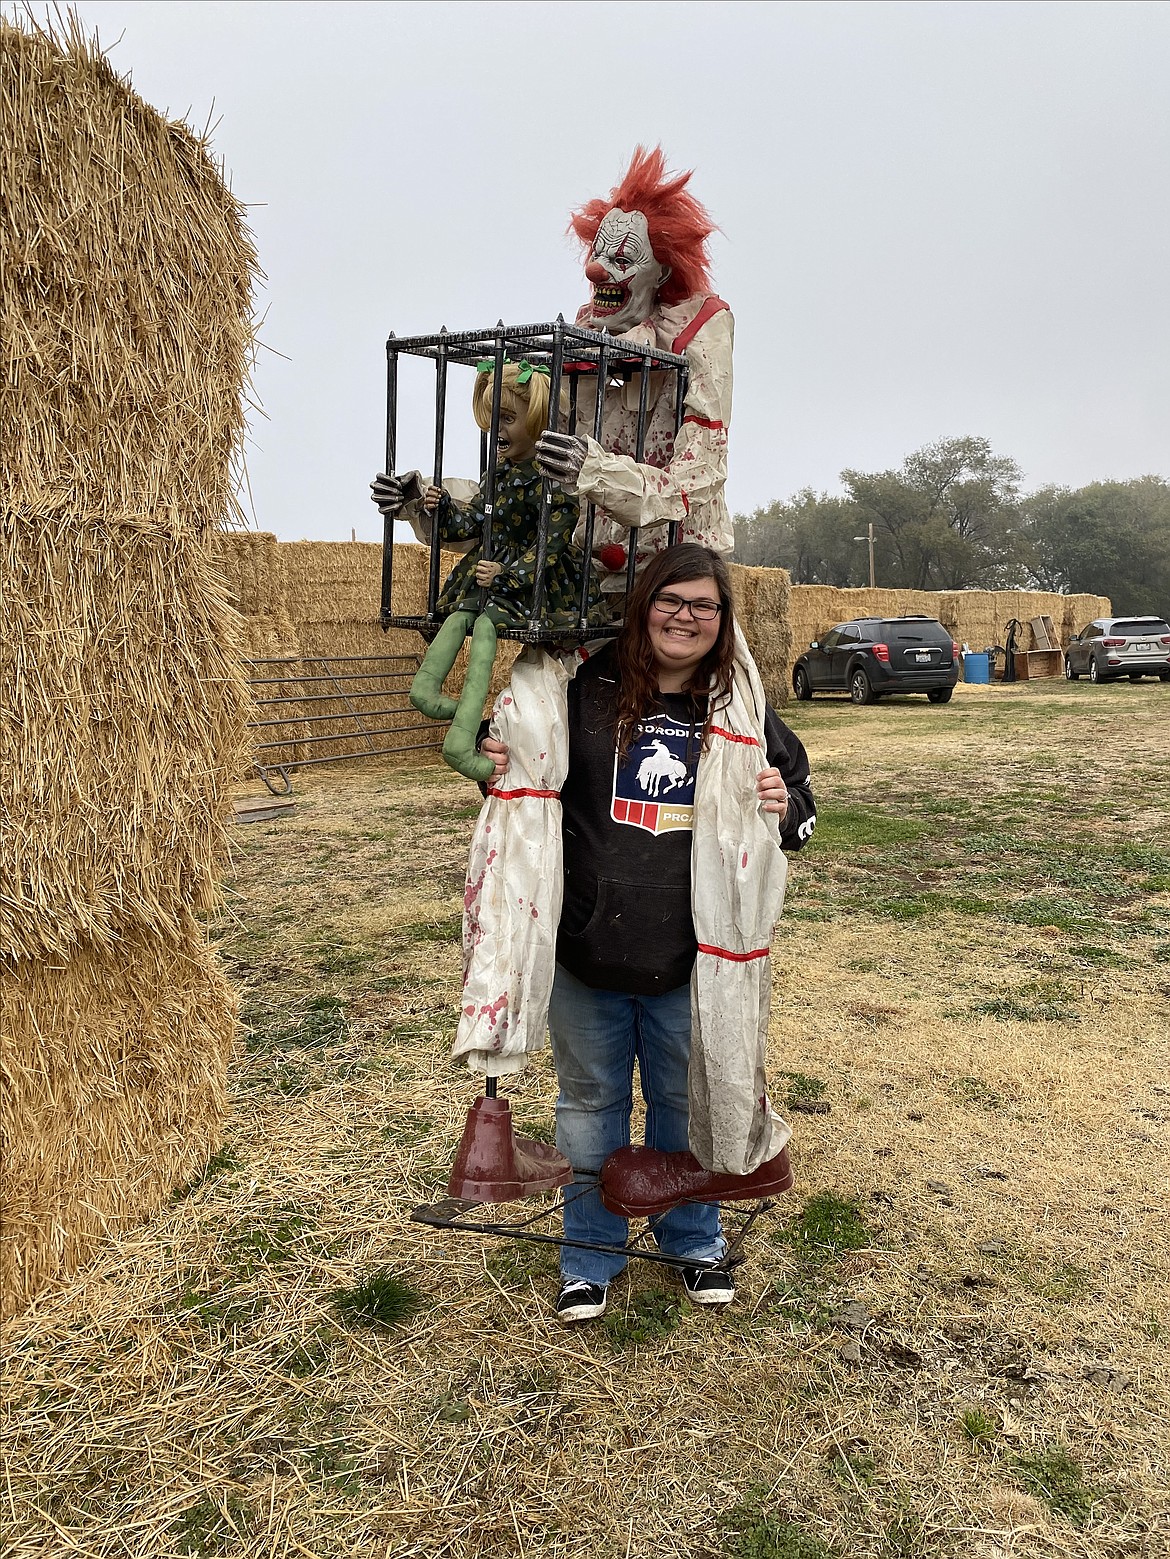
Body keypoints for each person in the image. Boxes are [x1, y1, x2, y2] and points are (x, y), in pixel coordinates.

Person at [478, 545, 816, 1322]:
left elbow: (800, 797)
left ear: (723, 621)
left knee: (682, 1103)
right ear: (644, 606)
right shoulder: (582, 687)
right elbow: (519, 775)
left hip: (693, 960)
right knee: (590, 1107)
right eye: (672, 600)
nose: (686, 617)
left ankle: (692, 1240)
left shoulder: (739, 706)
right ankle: (589, 1256)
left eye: (704, 605)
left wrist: (782, 805)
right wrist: (494, 760)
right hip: (587, 952)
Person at [372, 359, 601, 781]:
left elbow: (550, 543)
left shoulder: (557, 485)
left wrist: (508, 573)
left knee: (489, 626)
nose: (498, 429)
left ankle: (460, 742)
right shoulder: (497, 474)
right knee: (460, 615)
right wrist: (441, 510)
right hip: (490, 572)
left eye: (509, 418)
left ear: (537, 422)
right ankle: (425, 691)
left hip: (535, 581)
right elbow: (474, 521)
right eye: (493, 418)